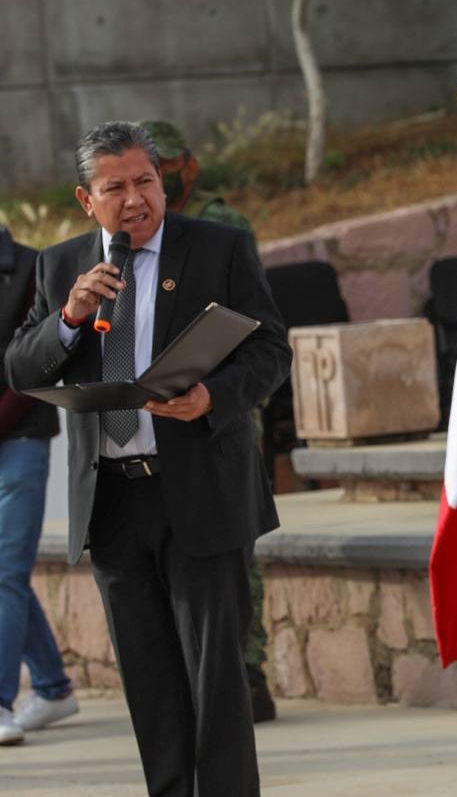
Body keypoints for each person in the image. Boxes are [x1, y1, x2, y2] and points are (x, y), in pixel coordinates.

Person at [5, 121, 291, 796]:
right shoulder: (60, 266)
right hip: (113, 503)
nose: (135, 199)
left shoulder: (219, 247)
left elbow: (270, 350)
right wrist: (70, 317)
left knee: (215, 680)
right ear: (86, 198)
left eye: (146, 181)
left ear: (163, 182)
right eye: (116, 187)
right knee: (150, 683)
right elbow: (20, 368)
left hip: (198, 490)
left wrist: (211, 396)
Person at [139, 119, 275, 723]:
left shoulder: (220, 226)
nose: (156, 181)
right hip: (159, 418)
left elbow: (257, 333)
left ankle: (247, 671)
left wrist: (218, 395)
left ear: (187, 168)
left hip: (223, 404)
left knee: (233, 549)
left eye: (162, 167)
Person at [0, 226, 78, 745]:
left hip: (20, 436)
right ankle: (52, 688)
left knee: (5, 569)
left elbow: (39, 362)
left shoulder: (35, 266)